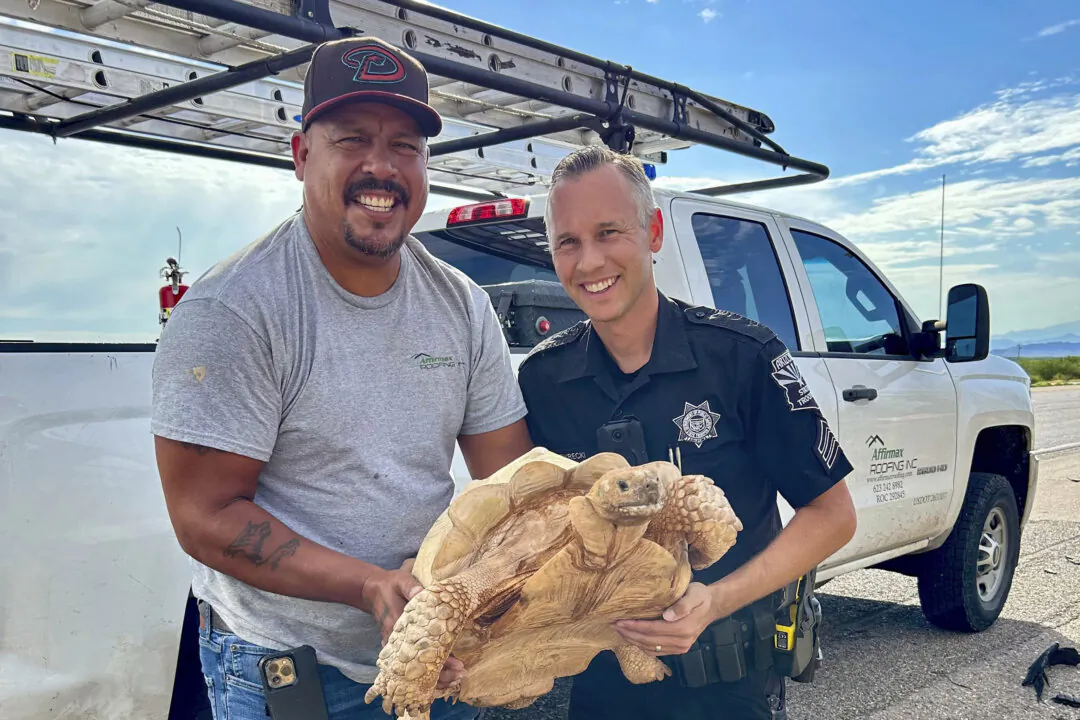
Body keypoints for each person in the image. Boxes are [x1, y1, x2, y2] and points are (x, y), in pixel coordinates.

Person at [151, 35, 533, 719]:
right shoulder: (235, 308)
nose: (381, 168)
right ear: (301, 156)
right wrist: (370, 587)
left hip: (435, 651)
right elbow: (205, 516)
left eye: (406, 147)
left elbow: (510, 486)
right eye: (352, 140)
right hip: (289, 672)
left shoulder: (462, 305)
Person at [515, 145, 858, 720]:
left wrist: (713, 601)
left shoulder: (742, 357)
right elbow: (533, 537)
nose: (589, 261)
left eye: (608, 232)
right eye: (568, 242)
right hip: (602, 687)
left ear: (652, 232)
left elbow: (833, 516)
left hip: (728, 683)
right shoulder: (545, 380)